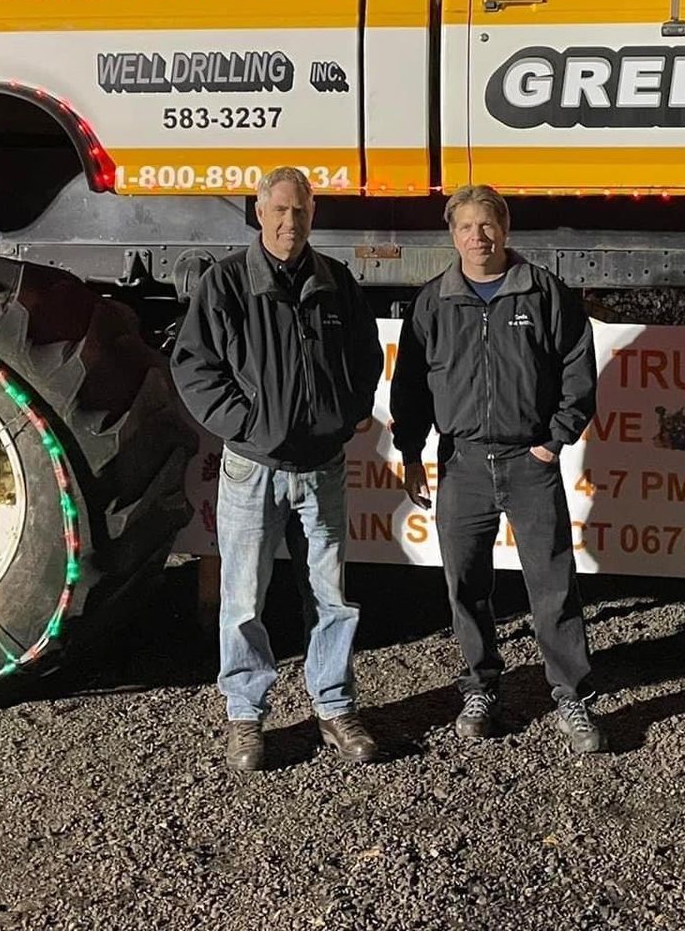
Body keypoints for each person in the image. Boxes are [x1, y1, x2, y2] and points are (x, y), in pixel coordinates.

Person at [171, 166, 383, 772]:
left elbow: (365, 359)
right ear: (259, 214)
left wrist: (343, 416)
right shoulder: (228, 283)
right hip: (253, 467)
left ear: (313, 216)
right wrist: (248, 426)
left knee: (333, 597)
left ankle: (335, 706)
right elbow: (194, 366)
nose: (291, 223)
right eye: (281, 211)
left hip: (322, 467)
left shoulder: (335, 281)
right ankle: (245, 717)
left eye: (302, 212)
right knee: (242, 598)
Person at [390, 184, 604, 754]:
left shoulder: (543, 292)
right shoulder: (434, 302)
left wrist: (552, 442)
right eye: (466, 227)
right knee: (466, 585)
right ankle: (481, 686)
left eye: (487, 226)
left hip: (528, 460)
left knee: (552, 584)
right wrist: (411, 452)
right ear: (452, 234)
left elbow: (578, 371)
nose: (477, 237)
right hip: (461, 462)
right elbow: (409, 385)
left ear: (504, 231)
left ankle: (571, 696)